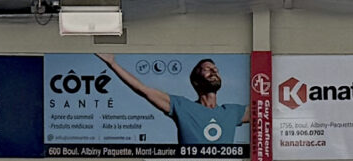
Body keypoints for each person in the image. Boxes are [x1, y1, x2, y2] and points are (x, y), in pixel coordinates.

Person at [95, 54, 247, 146]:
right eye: (207, 69)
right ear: (195, 81)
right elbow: (143, 89)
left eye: (216, 69)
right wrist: (113, 64)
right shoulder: (183, 107)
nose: (214, 70)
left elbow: (265, 110)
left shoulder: (232, 112)